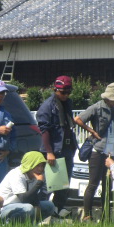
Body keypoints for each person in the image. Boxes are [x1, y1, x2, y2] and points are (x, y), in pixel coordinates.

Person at [74, 82, 114, 222]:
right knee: (93, 183)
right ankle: (87, 215)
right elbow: (78, 119)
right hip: (97, 149)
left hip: (110, 151)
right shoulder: (97, 107)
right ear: (109, 97)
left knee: (107, 184)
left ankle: (106, 215)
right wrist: (92, 131)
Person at [35, 75, 77, 216]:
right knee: (49, 185)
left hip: (67, 148)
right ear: (55, 89)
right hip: (53, 150)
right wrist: (49, 152)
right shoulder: (47, 106)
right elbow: (44, 130)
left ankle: (58, 210)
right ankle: (41, 212)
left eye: (68, 92)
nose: (65, 95)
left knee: (64, 183)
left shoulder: (68, 103)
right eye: (62, 92)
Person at [0, 151, 55, 223]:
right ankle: (8, 224)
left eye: (42, 166)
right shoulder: (17, 174)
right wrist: (39, 183)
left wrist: (37, 205)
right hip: (5, 207)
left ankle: (34, 224)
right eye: (37, 166)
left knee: (49, 206)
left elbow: (33, 195)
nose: (40, 169)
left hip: (22, 205)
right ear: (30, 164)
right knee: (28, 208)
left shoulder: (34, 175)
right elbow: (24, 199)